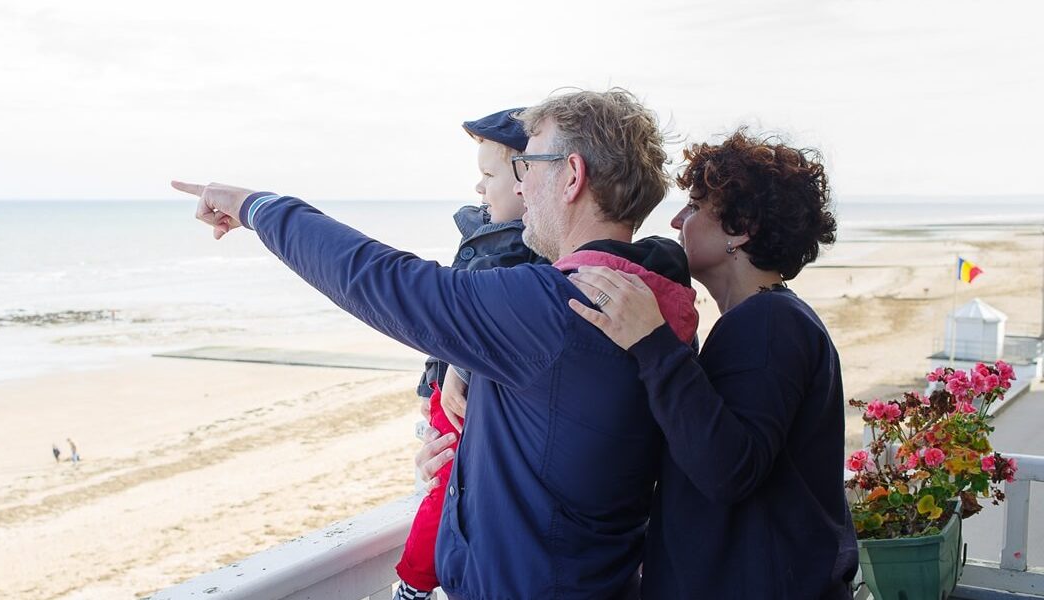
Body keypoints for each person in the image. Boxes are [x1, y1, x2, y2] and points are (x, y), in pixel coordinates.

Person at [173, 88, 699, 599]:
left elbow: (383, 281)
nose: (519, 187)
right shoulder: (656, 299)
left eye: (528, 167)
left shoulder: (557, 308)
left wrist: (256, 207)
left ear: (572, 177)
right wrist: (470, 462)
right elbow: (559, 439)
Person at [566, 130, 859, 599]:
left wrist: (653, 342)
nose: (678, 219)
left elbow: (728, 468)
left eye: (696, 205)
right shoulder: (771, 319)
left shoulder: (768, 324)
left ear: (740, 228)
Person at [396, 108, 548, 600]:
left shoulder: (521, 250)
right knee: (444, 481)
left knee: (446, 489)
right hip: (456, 390)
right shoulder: (491, 236)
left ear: (530, 180)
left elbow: (478, 321)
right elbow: (448, 320)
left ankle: (415, 583)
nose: (479, 189)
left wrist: (456, 368)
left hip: (472, 393)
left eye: (488, 175)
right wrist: (433, 383)